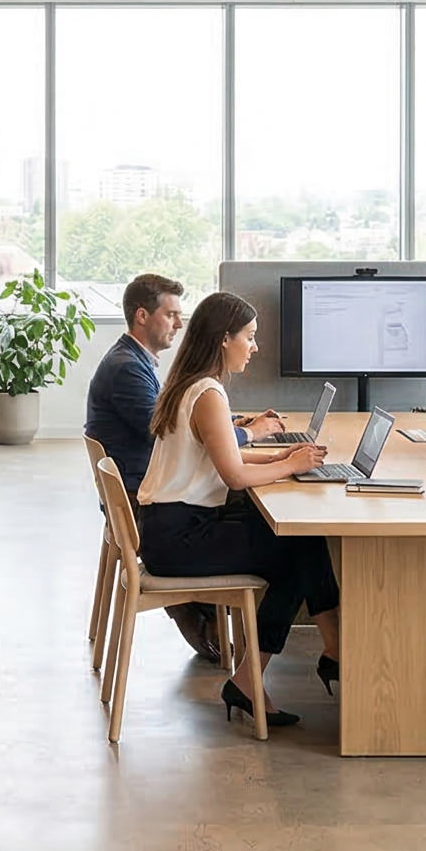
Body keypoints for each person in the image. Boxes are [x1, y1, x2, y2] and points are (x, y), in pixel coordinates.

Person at [136, 291, 342, 730]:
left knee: (297, 543)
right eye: (249, 337)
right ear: (223, 338)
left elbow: (223, 453)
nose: (254, 347)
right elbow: (233, 476)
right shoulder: (208, 393)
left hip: (168, 528)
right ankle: (311, 655)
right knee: (295, 551)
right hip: (178, 539)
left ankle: (318, 652)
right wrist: (289, 464)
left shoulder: (190, 385)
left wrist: (278, 460)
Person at [83, 272, 290, 661]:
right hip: (146, 501)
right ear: (142, 316)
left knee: (256, 517)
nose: (179, 324)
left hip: (154, 499)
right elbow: (164, 433)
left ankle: (230, 634)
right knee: (269, 527)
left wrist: (234, 432)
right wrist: (249, 439)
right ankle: (212, 623)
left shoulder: (142, 363)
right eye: (172, 315)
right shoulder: (128, 367)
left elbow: (182, 432)